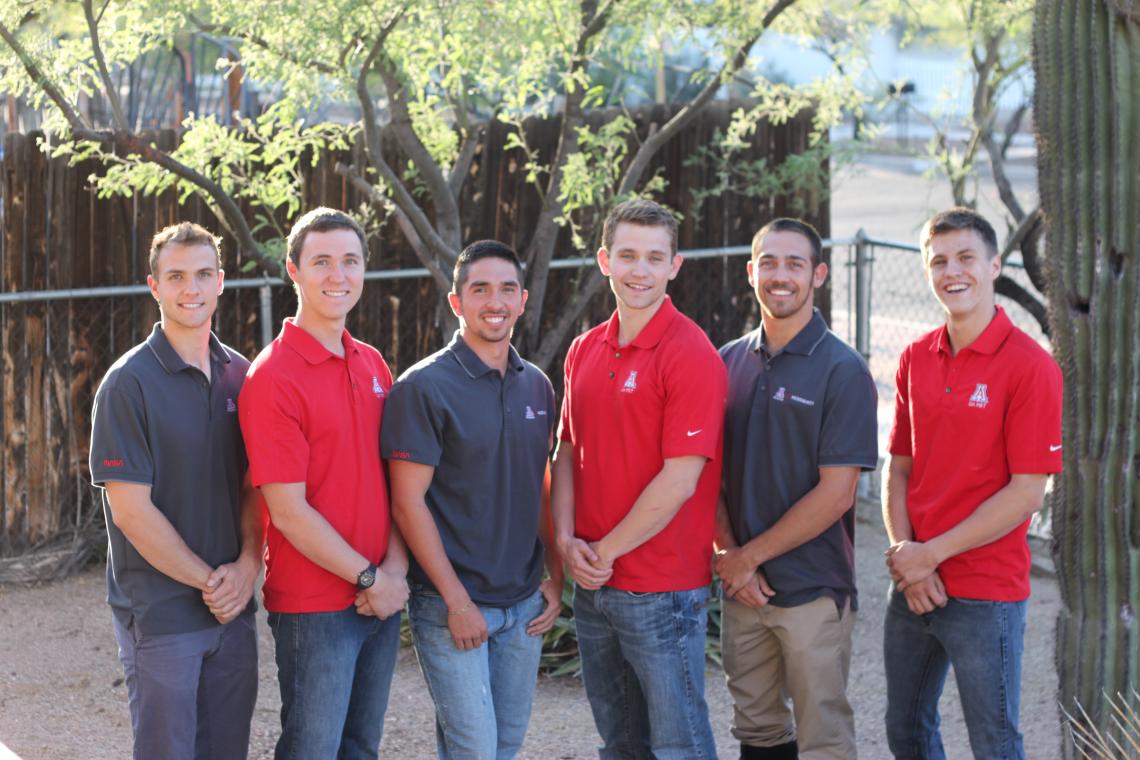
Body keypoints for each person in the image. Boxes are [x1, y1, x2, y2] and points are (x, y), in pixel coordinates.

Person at [882, 208, 1062, 760]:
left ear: (993, 266)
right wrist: (905, 556)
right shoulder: (916, 357)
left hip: (985, 592)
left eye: (965, 258)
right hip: (913, 581)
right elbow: (899, 470)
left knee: (995, 743)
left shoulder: (1031, 367)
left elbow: (1026, 493)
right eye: (938, 261)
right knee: (906, 732)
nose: (951, 271)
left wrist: (927, 556)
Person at [552, 198, 727, 758]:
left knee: (681, 743)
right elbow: (566, 450)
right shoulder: (583, 349)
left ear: (675, 265)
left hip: (662, 588)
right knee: (621, 742)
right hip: (596, 582)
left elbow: (679, 480)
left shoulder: (690, 354)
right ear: (605, 260)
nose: (640, 270)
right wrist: (564, 541)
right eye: (627, 255)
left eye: (655, 257)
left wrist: (601, 551)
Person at [238, 207, 409, 759]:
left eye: (350, 261)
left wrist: (394, 575)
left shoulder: (373, 364)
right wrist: (367, 577)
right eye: (322, 262)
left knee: (361, 747)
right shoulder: (273, 377)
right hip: (315, 606)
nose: (338, 275)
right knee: (312, 749)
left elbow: (396, 483)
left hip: (380, 590)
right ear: (294, 270)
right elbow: (286, 511)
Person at [381, 240, 563, 759]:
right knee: (475, 750)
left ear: (523, 300)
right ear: (456, 302)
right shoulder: (423, 388)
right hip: (451, 604)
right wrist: (457, 602)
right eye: (479, 289)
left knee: (504, 745)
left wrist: (556, 575)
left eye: (507, 289)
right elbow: (407, 504)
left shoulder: (538, 387)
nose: (495, 301)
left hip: (524, 603)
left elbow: (541, 481)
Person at [89, 222, 261, 760]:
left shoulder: (243, 375)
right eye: (177, 276)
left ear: (221, 283)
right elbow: (130, 511)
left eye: (203, 275)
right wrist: (211, 581)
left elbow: (256, 487)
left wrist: (249, 566)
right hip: (164, 614)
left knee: (227, 750)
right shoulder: (128, 384)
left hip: (233, 611)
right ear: (154, 286)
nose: (192, 288)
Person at [715, 218, 878, 760]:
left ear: (819, 275)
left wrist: (747, 559)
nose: (780, 276)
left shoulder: (843, 371)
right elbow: (706, 474)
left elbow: (837, 495)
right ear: (750, 271)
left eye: (795, 264)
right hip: (744, 591)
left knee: (823, 740)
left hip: (812, 590)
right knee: (757, 732)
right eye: (769, 262)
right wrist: (728, 556)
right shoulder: (726, 363)